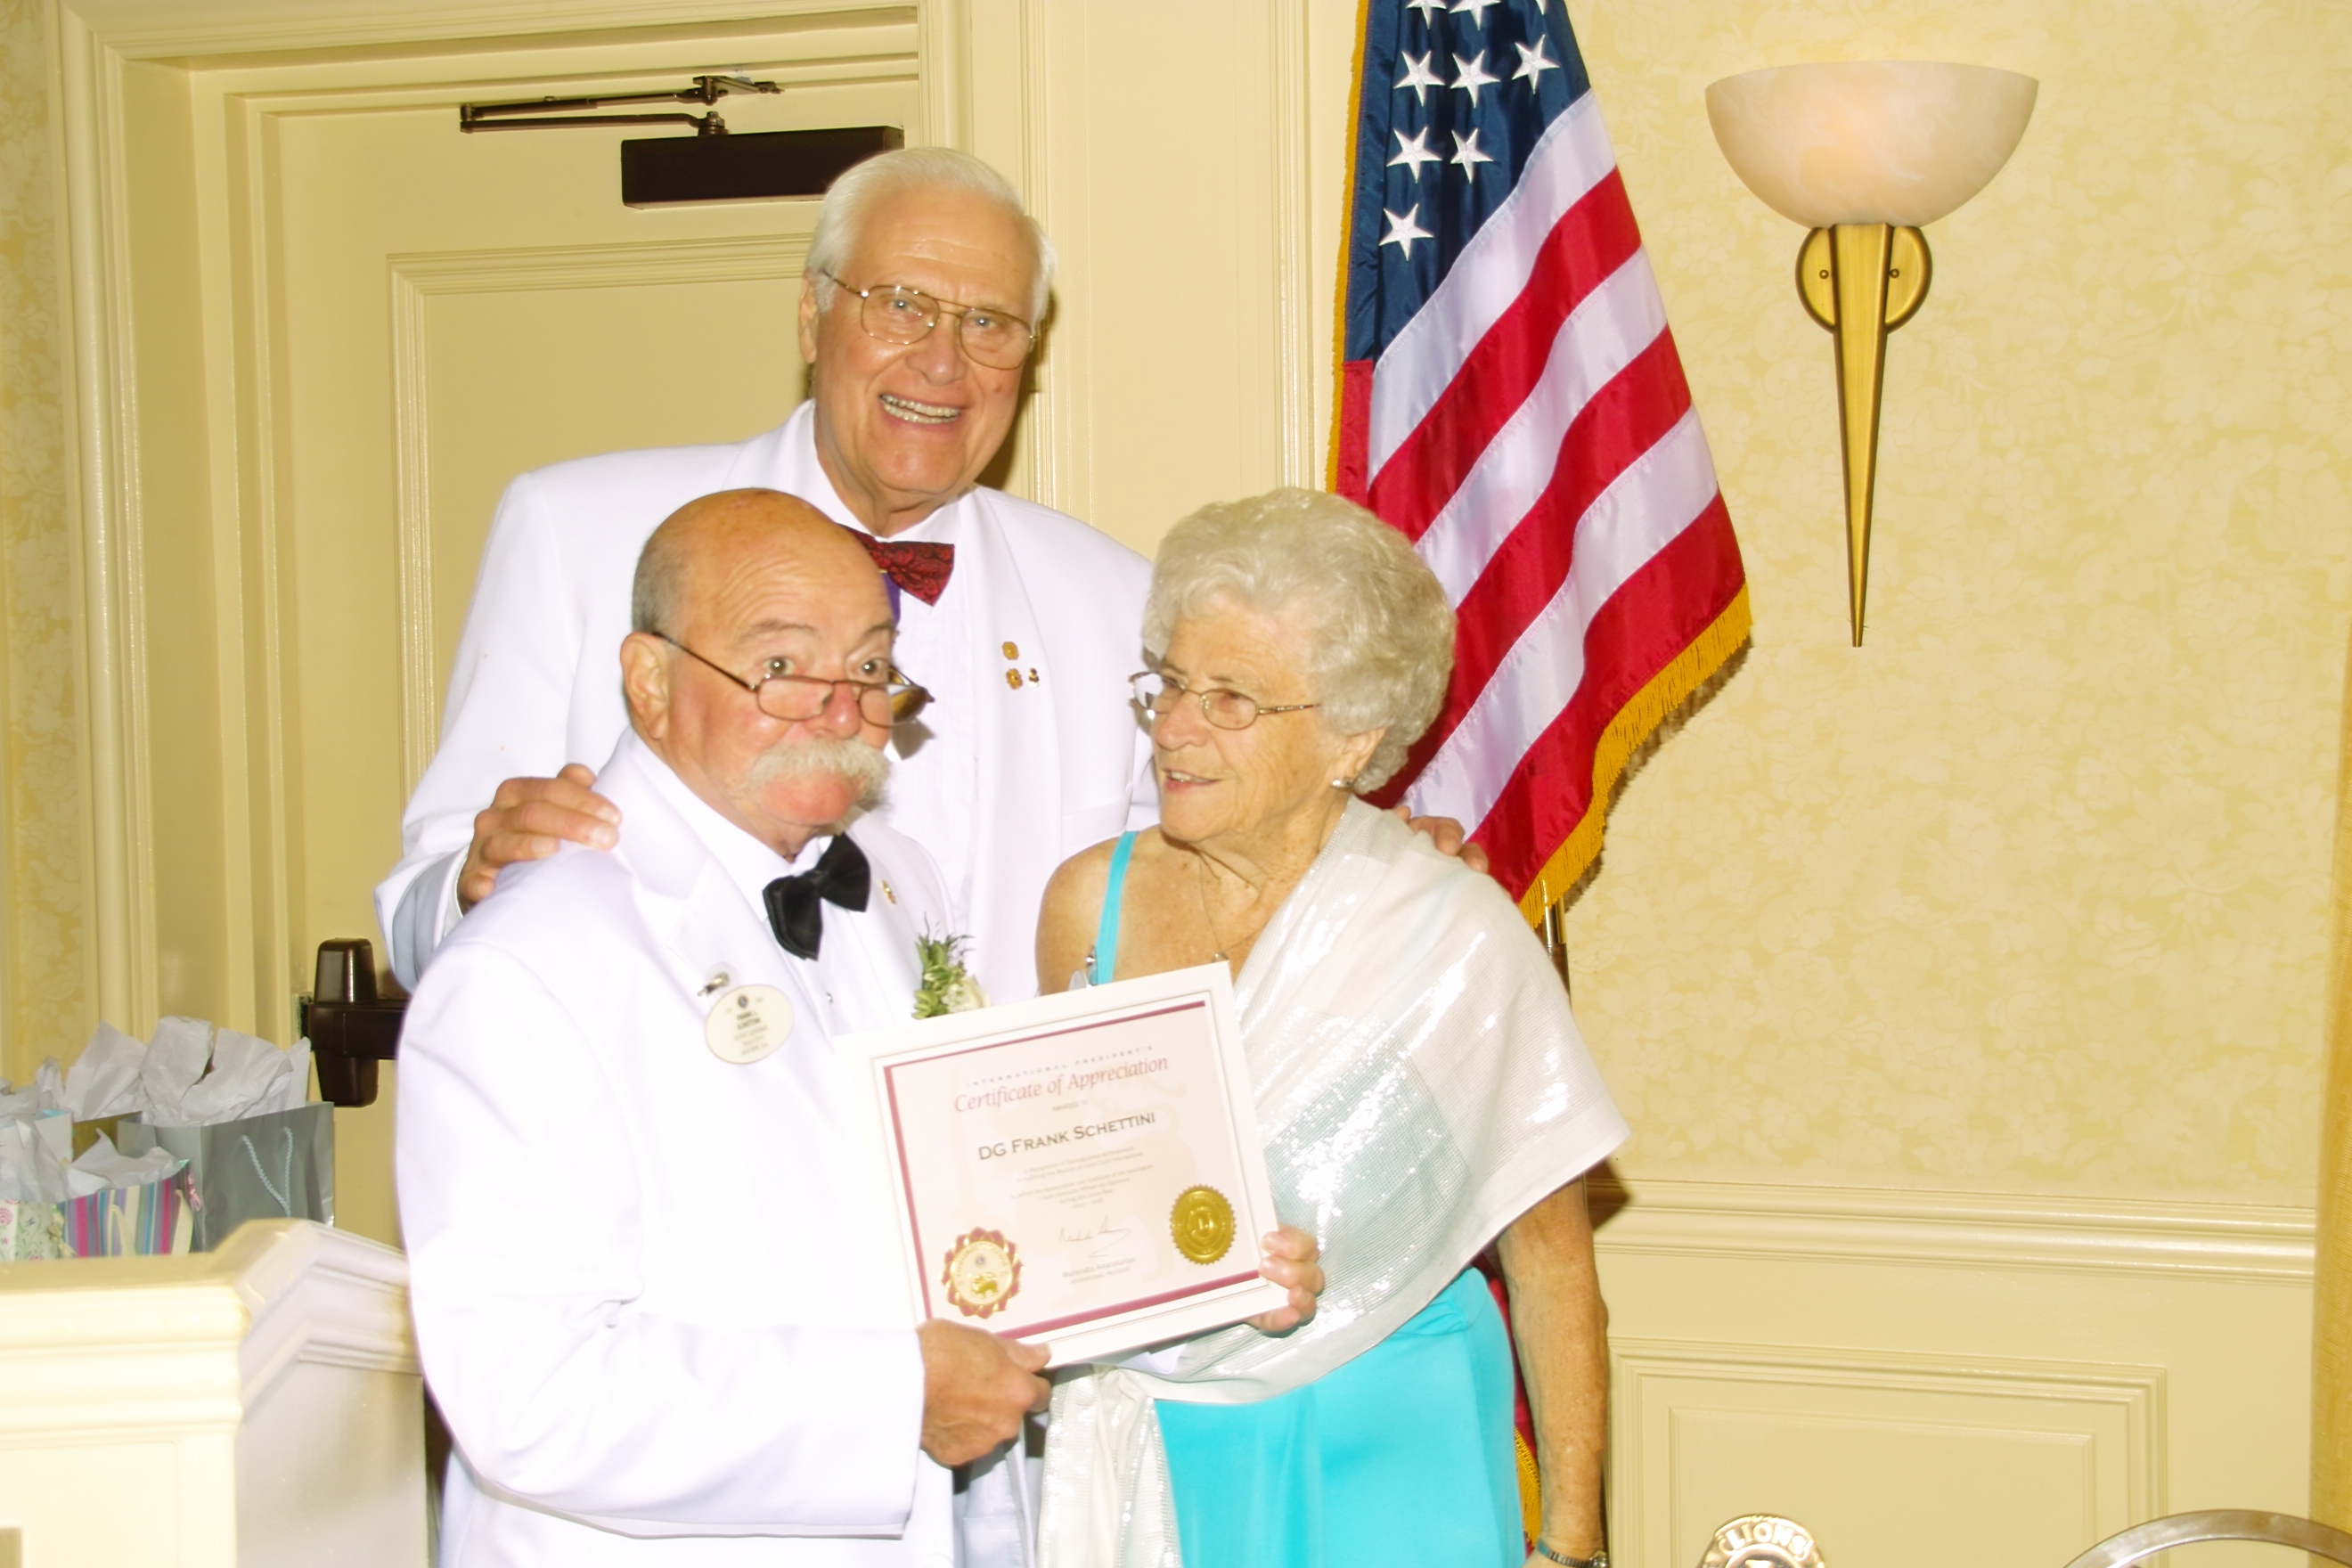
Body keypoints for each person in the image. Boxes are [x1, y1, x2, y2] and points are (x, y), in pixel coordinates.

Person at [397, 490, 1320, 1564]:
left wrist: (1201, 1277)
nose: (841, 712)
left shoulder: (892, 881)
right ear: (650, 681)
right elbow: (529, 1395)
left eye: (871, 666)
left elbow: (976, 1229)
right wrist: (895, 1399)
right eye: (781, 666)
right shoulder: (525, 965)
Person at [376, 146, 1154, 1005]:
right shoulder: (574, 536)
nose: (943, 361)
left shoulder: (1119, 604)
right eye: (900, 305)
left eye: (989, 323)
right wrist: (475, 882)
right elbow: (420, 919)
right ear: (811, 317)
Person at [1032, 488, 1628, 1568]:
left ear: (1352, 736)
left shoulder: (1448, 931)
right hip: (1156, 1441)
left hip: (1392, 1446)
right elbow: (1062, 1188)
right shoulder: (1088, 903)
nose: (1173, 727)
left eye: (1230, 699)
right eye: (1169, 682)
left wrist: (1572, 1544)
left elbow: (1550, 1261)